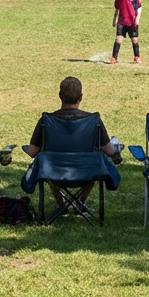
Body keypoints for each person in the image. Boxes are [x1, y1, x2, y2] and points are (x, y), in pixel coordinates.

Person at [25, 77, 117, 205]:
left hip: (53, 173)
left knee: (47, 158)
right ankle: (80, 202)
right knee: (94, 158)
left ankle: (62, 204)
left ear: (60, 96)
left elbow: (32, 152)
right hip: (86, 173)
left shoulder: (46, 121)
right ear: (81, 98)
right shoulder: (93, 121)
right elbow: (110, 151)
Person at [111, 0, 142, 65]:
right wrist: (115, 19)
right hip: (122, 21)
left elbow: (139, 7)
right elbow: (117, 8)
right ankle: (114, 57)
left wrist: (137, 19)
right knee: (118, 39)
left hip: (131, 21)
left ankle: (137, 56)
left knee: (134, 39)